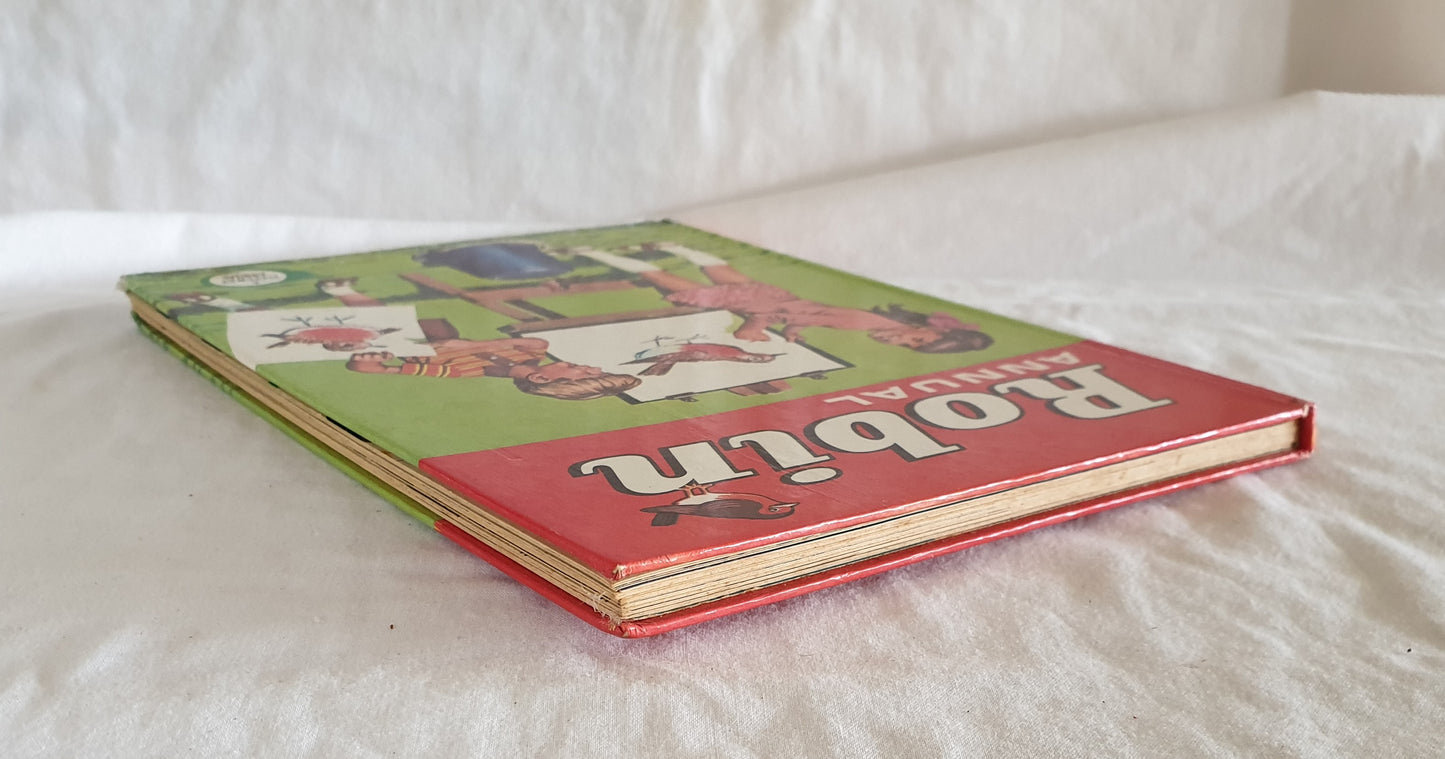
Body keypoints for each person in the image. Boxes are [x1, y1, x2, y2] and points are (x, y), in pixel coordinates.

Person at [577, 245, 992, 353]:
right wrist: (754, 325)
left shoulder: (877, 322)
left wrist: (792, 332)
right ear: (919, 327)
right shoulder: (869, 323)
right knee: (675, 285)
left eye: (912, 347)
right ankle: (596, 254)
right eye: (916, 339)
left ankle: (670, 247)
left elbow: (808, 315)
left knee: (717, 269)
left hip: (771, 298)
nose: (904, 342)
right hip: (762, 304)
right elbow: (792, 313)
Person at [345, 336, 640, 401]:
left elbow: (370, 369)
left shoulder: (457, 372)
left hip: (383, 336)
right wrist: (469, 345)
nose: (593, 367)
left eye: (589, 374)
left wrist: (374, 355)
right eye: (598, 371)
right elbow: (535, 341)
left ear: (539, 378)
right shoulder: (534, 350)